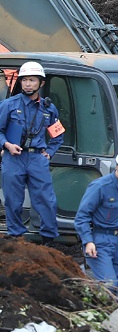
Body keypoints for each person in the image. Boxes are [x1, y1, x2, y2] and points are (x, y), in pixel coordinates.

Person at [1, 62, 64, 244]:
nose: (28, 84)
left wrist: (49, 153)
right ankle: (16, 239)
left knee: (47, 201)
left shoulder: (49, 108)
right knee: (13, 201)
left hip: (37, 158)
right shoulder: (9, 105)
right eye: (24, 80)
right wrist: (7, 145)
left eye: (32, 80)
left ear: (41, 83)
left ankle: (48, 240)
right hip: (14, 158)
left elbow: (58, 135)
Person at [74, 145, 118, 301]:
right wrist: (88, 241)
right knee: (109, 284)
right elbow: (82, 216)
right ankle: (103, 312)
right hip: (99, 241)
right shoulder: (100, 187)